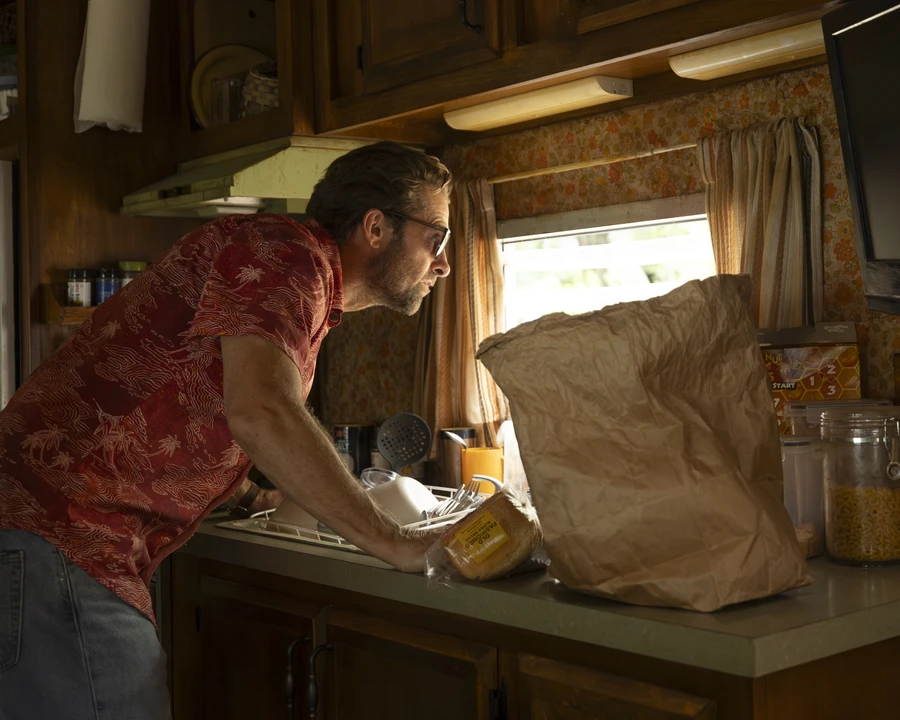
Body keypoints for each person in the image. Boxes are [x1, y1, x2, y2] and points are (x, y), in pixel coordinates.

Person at [0, 141, 453, 719]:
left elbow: (182, 408)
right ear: (376, 227)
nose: (443, 263)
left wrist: (254, 497)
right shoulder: (287, 254)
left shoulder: (283, 269)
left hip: (41, 536)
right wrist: (396, 542)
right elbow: (261, 410)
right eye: (437, 239)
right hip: (64, 535)